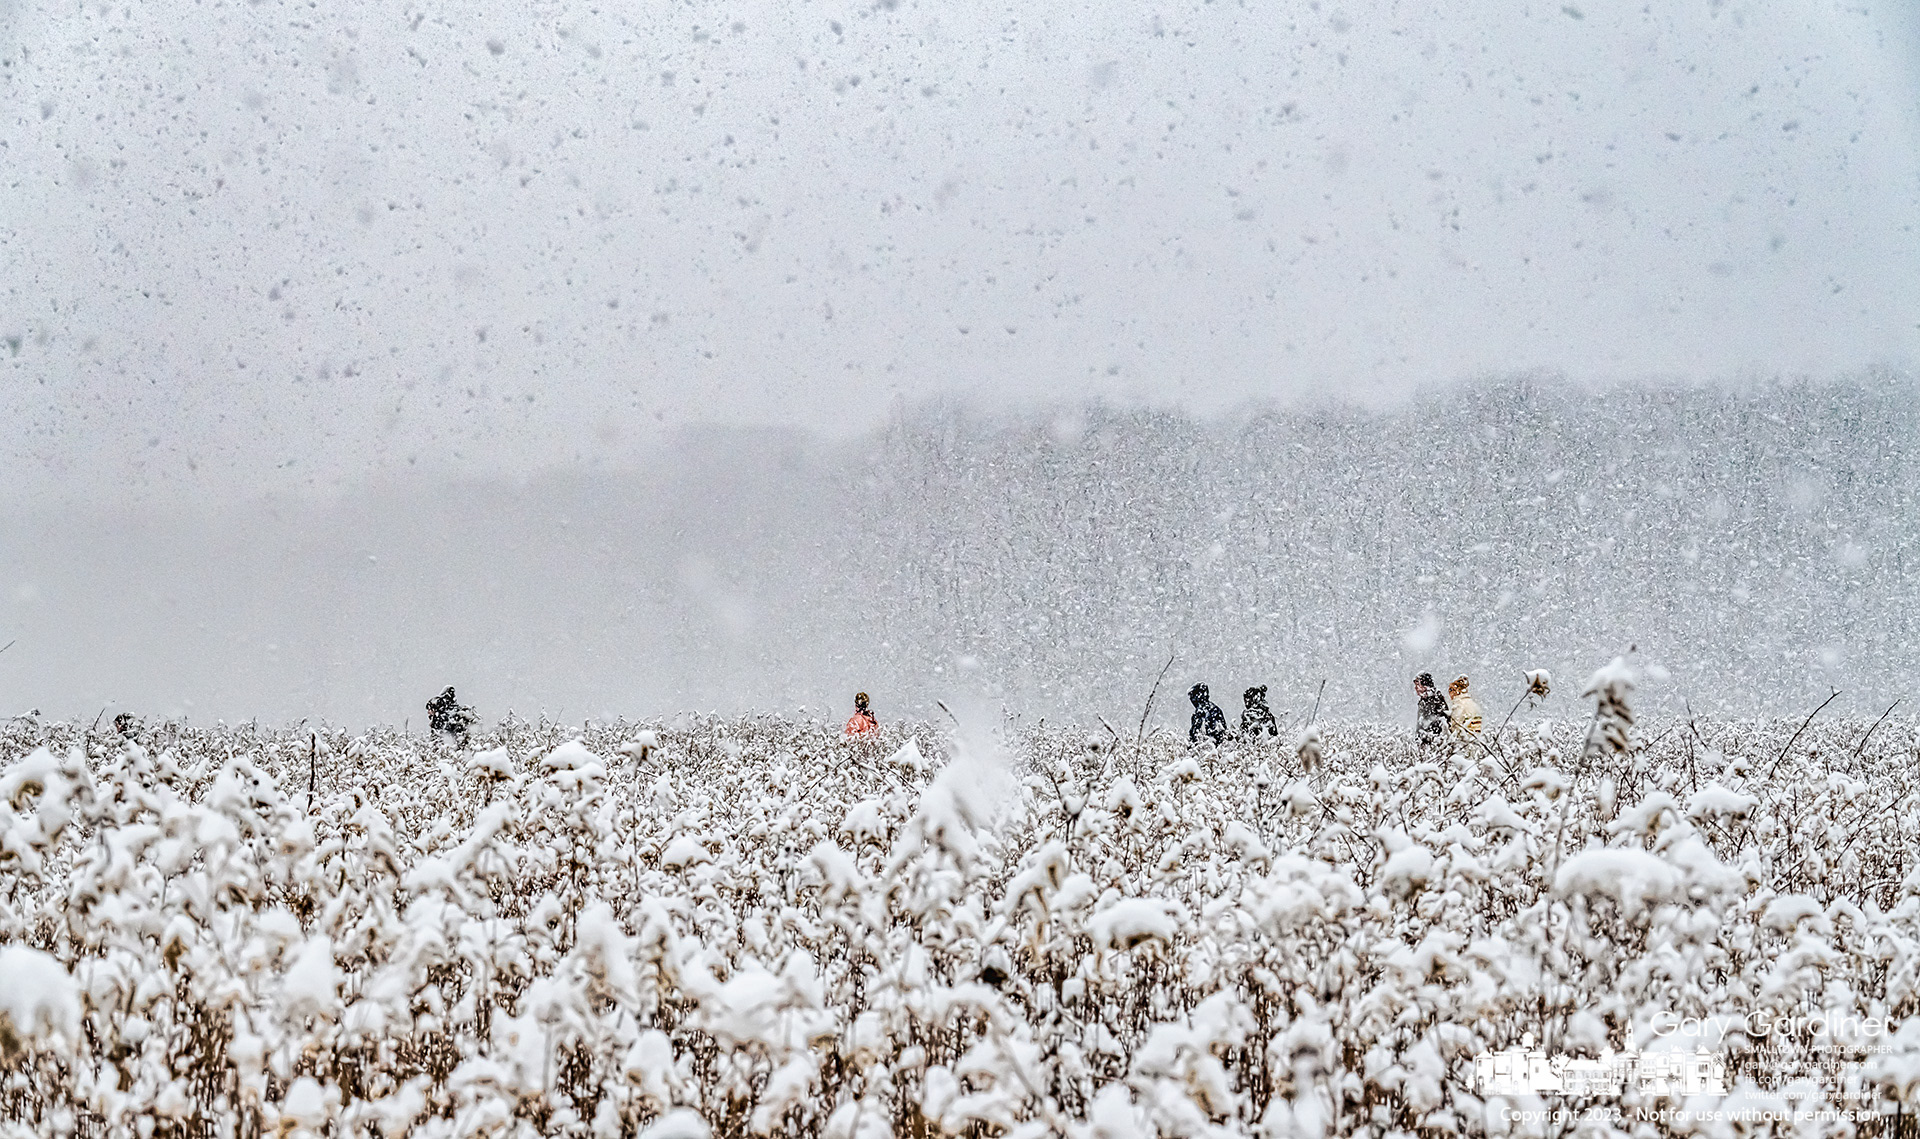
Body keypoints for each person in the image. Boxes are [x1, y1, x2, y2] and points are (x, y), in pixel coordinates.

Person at [1414, 673, 1450, 746]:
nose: (1416, 688)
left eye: (1418, 685)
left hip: (1434, 744)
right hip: (1425, 742)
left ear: (1425, 686)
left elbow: (1442, 722)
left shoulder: (1436, 700)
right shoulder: (1423, 700)